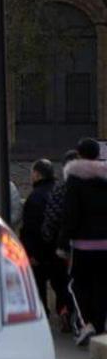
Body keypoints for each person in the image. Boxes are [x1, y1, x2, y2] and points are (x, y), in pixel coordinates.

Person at [58, 137, 107, 346]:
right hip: (105, 244)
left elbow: (71, 214)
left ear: (78, 154)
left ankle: (87, 322)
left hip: (82, 245)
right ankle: (99, 325)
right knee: (102, 285)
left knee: (78, 285)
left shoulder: (75, 179)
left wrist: (62, 242)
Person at [20, 159, 70, 327]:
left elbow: (31, 228)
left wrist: (31, 252)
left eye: (32, 173)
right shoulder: (59, 191)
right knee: (61, 284)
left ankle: (42, 316)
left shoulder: (34, 197)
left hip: (40, 250)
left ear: (37, 174)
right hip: (59, 248)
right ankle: (64, 311)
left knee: (38, 284)